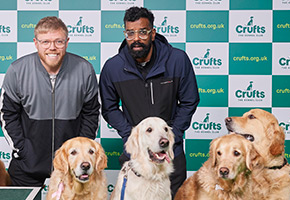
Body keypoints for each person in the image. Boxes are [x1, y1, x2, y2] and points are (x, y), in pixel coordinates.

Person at [99, 7, 199, 198]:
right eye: (130, 33)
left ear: (153, 33)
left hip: (172, 155)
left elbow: (189, 101)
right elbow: (109, 108)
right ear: (125, 34)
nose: (136, 38)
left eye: (142, 32)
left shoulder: (177, 60)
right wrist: (131, 136)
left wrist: (173, 135)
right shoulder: (113, 67)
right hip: (135, 157)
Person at [0, 16, 100, 186]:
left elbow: (91, 113)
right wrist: (22, 150)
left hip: (71, 168)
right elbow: (7, 114)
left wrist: (79, 152)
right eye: (45, 42)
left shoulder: (84, 69)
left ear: (67, 42)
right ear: (35, 42)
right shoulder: (17, 70)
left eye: (58, 41)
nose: (52, 47)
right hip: (27, 168)